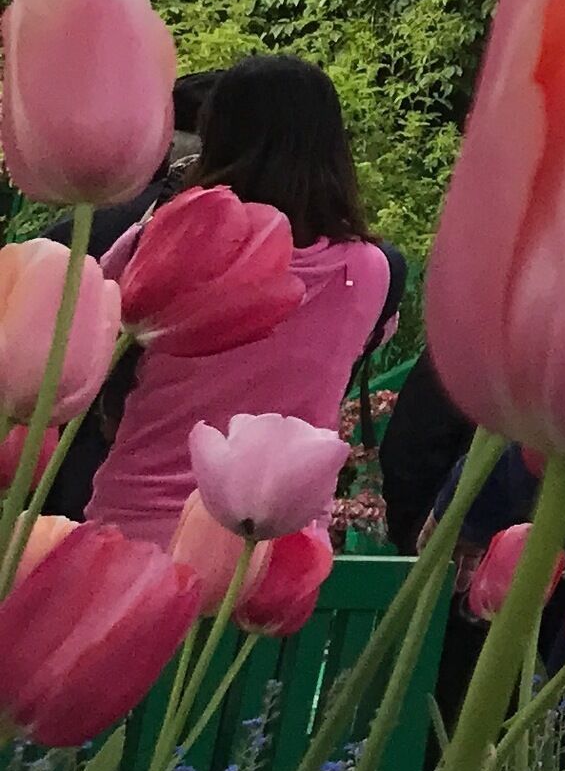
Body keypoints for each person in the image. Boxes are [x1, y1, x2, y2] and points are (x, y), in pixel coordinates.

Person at [84, 55, 400, 545]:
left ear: (217, 132)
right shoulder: (371, 271)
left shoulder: (172, 236)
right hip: (283, 543)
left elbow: (90, 335)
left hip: (140, 524)